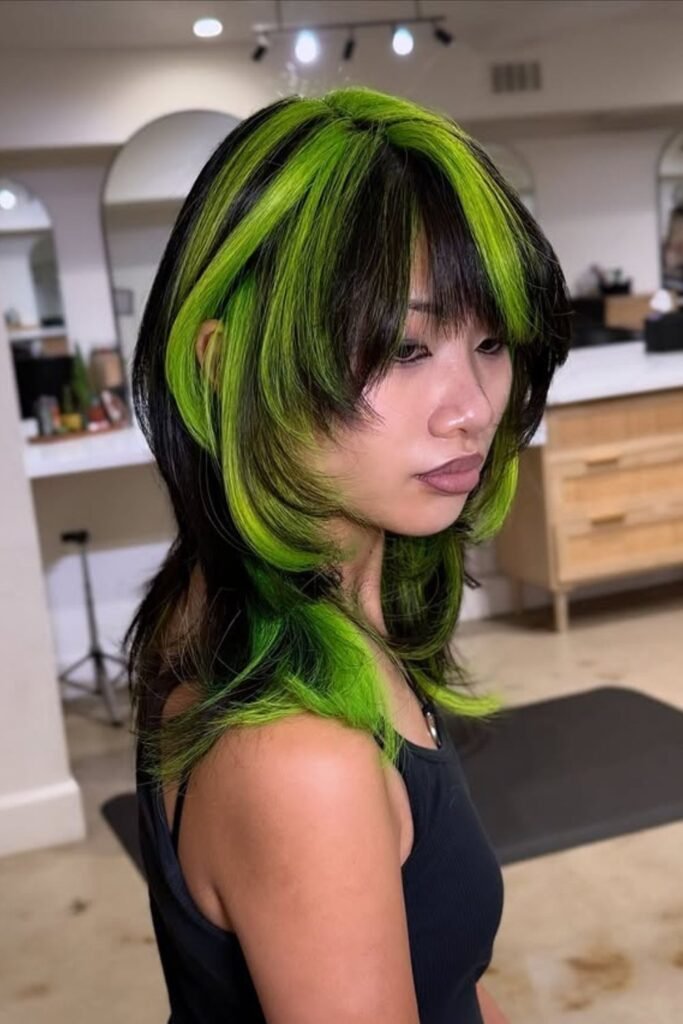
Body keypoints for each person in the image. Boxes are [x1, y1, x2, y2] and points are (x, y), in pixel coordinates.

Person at [126, 85, 571, 1024]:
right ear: (225, 365)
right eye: (405, 349)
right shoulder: (300, 757)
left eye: (490, 341)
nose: (470, 409)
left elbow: (445, 978)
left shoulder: (279, 619)